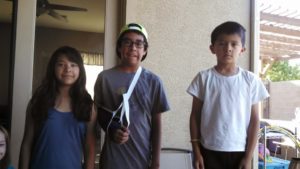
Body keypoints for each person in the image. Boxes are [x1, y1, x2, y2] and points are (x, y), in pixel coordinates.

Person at [187, 21, 269, 169]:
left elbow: (255, 120)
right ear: (212, 48)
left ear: (242, 49)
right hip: (208, 150)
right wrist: (196, 151)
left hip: (240, 151)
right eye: (222, 43)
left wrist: (249, 156)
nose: (228, 49)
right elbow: (195, 116)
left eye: (234, 44)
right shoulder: (203, 78)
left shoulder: (250, 80)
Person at [94, 23, 170, 169]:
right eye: (127, 42)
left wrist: (156, 161)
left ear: (145, 50)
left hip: (142, 159)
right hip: (112, 159)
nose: (133, 47)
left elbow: (157, 124)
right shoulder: (105, 78)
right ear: (119, 47)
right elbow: (98, 114)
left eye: (139, 43)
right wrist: (111, 130)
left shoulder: (154, 81)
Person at [19, 46, 96, 169]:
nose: (67, 69)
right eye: (61, 64)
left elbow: (89, 147)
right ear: (53, 69)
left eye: (73, 64)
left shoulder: (88, 106)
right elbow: (26, 144)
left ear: (80, 69)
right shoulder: (38, 102)